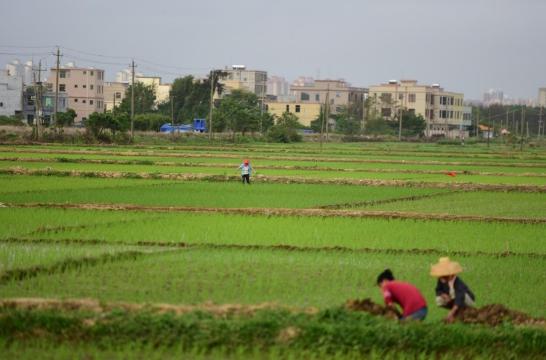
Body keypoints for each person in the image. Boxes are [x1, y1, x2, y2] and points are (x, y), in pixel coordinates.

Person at [430, 257, 475, 323]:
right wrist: (444, 295)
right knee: (439, 299)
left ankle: (457, 312)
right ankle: (456, 312)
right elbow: (438, 290)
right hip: (452, 298)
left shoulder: (458, 283)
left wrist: (451, 313)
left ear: (451, 275)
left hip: (466, 299)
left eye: (445, 276)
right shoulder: (441, 280)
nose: (443, 278)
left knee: (458, 298)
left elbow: (460, 298)